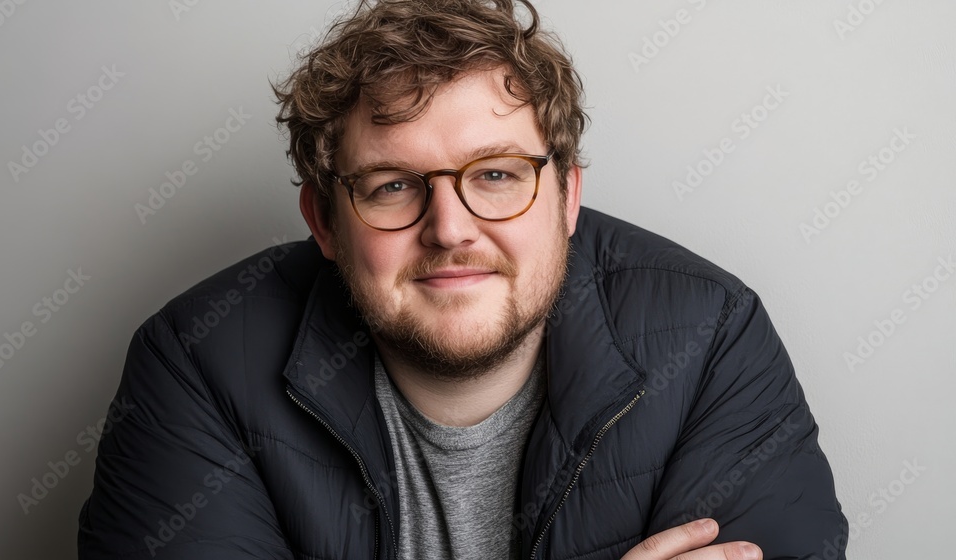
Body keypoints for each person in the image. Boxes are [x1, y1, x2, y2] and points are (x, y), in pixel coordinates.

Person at [78, 1, 848, 558]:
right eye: (392, 186)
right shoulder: (196, 363)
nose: (449, 228)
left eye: (498, 174)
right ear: (325, 222)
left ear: (568, 197)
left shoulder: (711, 336)